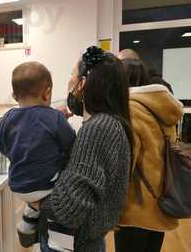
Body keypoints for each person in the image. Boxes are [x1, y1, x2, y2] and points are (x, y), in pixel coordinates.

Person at [38, 46, 133, 252]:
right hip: (85, 241)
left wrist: (35, 201)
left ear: (82, 84)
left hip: (77, 243)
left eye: (72, 74)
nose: (68, 82)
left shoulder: (98, 129)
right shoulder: (106, 123)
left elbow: (68, 210)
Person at [0, 62, 76, 249]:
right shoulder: (54, 117)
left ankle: (28, 222)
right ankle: (60, 244)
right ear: (47, 93)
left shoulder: (7, 118)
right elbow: (71, 145)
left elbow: (1, 146)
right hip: (46, 185)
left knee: (35, 197)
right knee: (64, 184)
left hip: (17, 185)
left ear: (15, 95)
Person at [115, 58, 183, 252]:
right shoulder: (162, 109)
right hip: (161, 203)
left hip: (136, 210)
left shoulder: (130, 110)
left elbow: (124, 168)